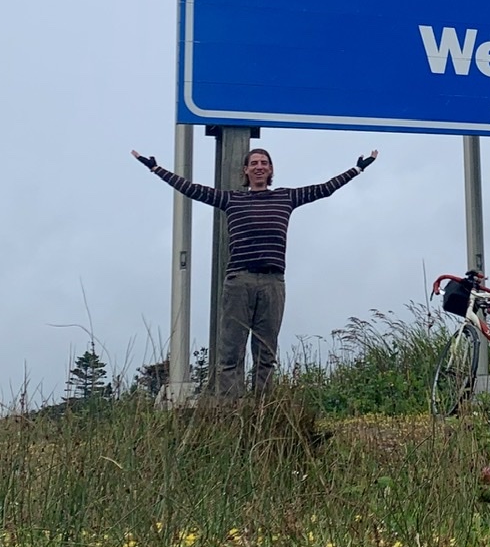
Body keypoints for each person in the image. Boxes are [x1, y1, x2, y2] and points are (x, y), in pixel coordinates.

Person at [132, 145, 378, 396]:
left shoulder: (286, 197)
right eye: (254, 163)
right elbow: (193, 190)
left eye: (264, 163)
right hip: (239, 280)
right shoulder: (232, 199)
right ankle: (231, 410)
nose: (259, 167)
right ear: (246, 170)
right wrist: (156, 168)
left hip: (273, 282)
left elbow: (325, 189)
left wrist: (357, 169)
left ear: (270, 169)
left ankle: (262, 411)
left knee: (266, 352)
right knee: (231, 352)